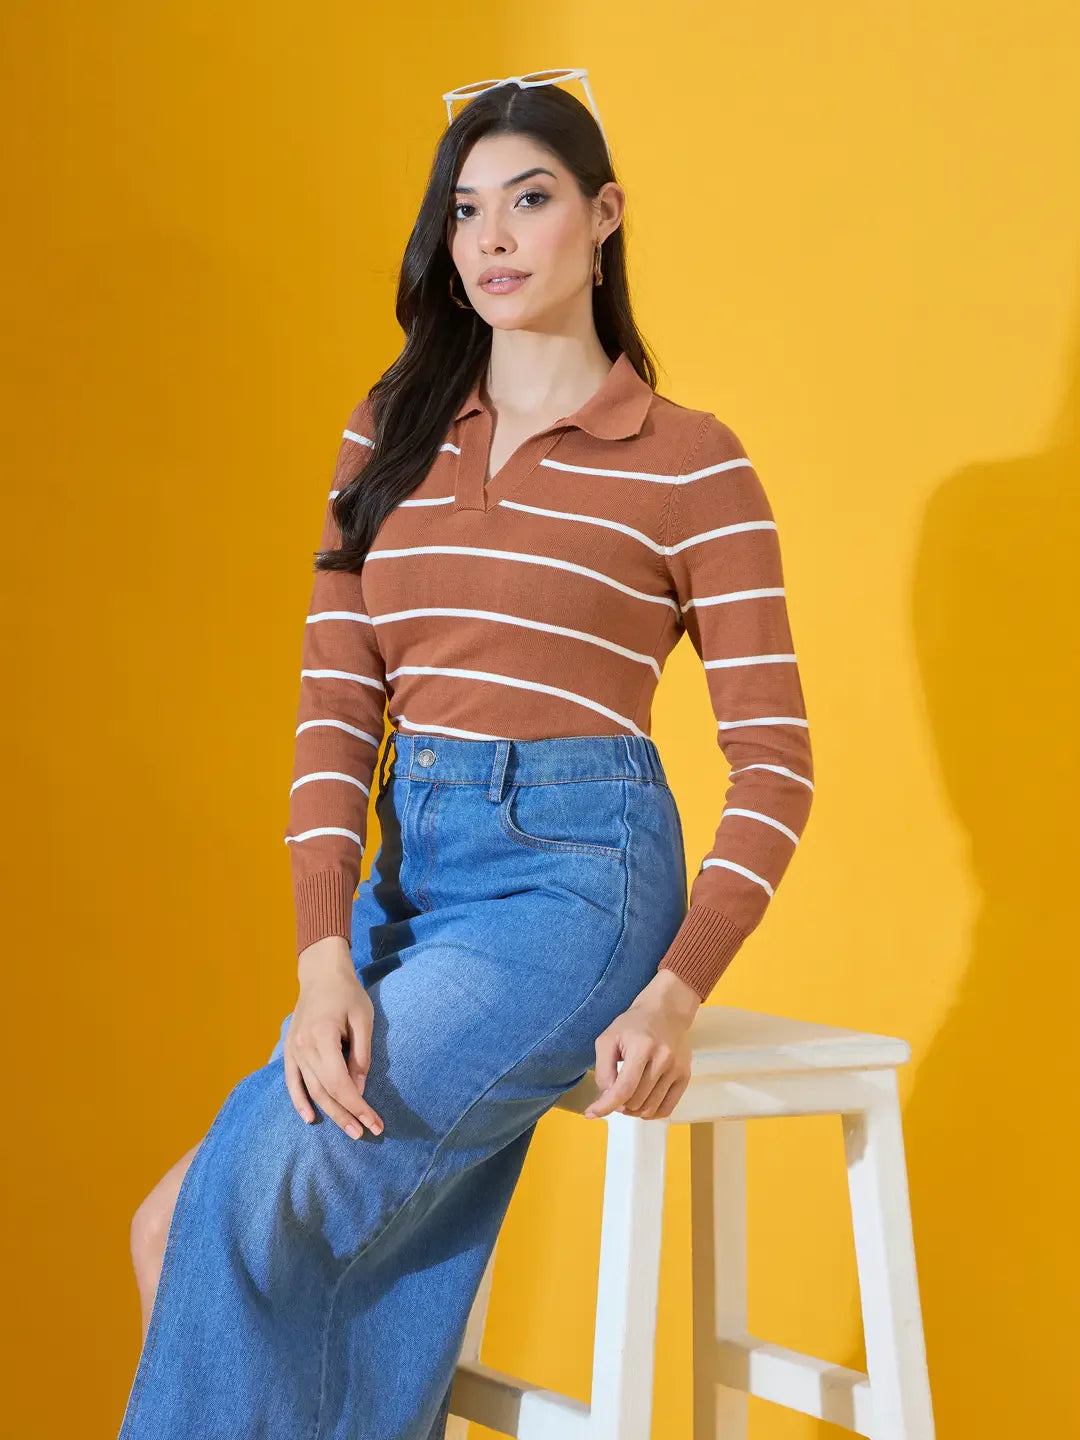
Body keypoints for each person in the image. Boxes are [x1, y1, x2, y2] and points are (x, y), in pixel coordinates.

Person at [119, 70, 814, 1440]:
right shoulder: (389, 433)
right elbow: (335, 710)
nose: (493, 238)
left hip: (576, 887)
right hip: (404, 883)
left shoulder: (693, 462)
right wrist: (324, 949)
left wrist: (677, 992)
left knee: (257, 1200)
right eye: (466, 211)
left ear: (604, 216)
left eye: (532, 200)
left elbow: (778, 764)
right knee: (171, 1225)